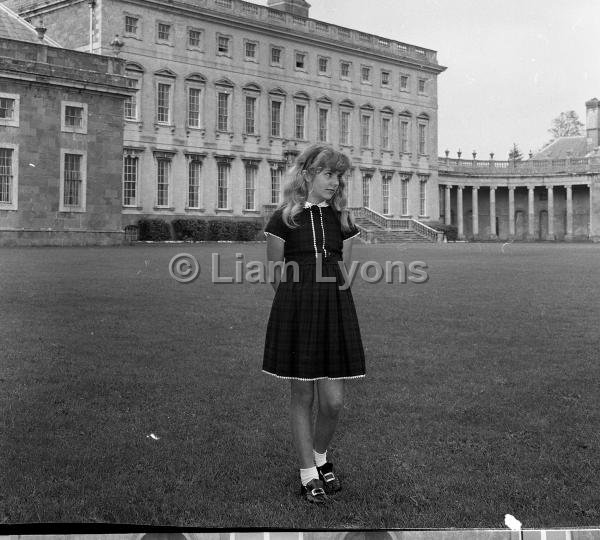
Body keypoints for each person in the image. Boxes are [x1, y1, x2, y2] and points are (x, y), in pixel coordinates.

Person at [262, 143, 366, 504]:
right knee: (302, 395)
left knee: (333, 402)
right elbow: (276, 274)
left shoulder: (344, 220)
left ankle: (321, 457)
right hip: (297, 311)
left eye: (339, 175)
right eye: (328, 174)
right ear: (306, 174)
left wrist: (327, 296)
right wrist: (299, 298)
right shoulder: (283, 219)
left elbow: (345, 274)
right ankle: (308, 474)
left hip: (335, 310)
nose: (335, 182)